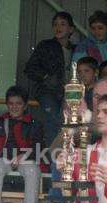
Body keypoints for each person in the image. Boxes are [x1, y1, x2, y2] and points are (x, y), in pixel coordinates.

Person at [40, 79, 107, 203]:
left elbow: (106, 137)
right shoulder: (85, 117)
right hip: (85, 172)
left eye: (105, 96)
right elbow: (54, 151)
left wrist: (87, 118)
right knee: (63, 157)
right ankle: (57, 202)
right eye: (96, 96)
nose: (100, 100)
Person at [0, 86, 43, 203]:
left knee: (32, 170)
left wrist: (23, 156)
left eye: (18, 103)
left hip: (25, 159)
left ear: (25, 105)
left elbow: (38, 146)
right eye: (11, 103)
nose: (14, 107)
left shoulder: (34, 123)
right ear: (7, 104)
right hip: (3, 158)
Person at [24, 11, 75, 147]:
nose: (58, 27)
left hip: (69, 93)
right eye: (55, 24)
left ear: (71, 29)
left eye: (63, 24)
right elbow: (30, 68)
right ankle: (55, 157)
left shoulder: (77, 49)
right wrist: (46, 77)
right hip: (48, 91)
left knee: (69, 120)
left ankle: (66, 156)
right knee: (54, 119)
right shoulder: (45, 45)